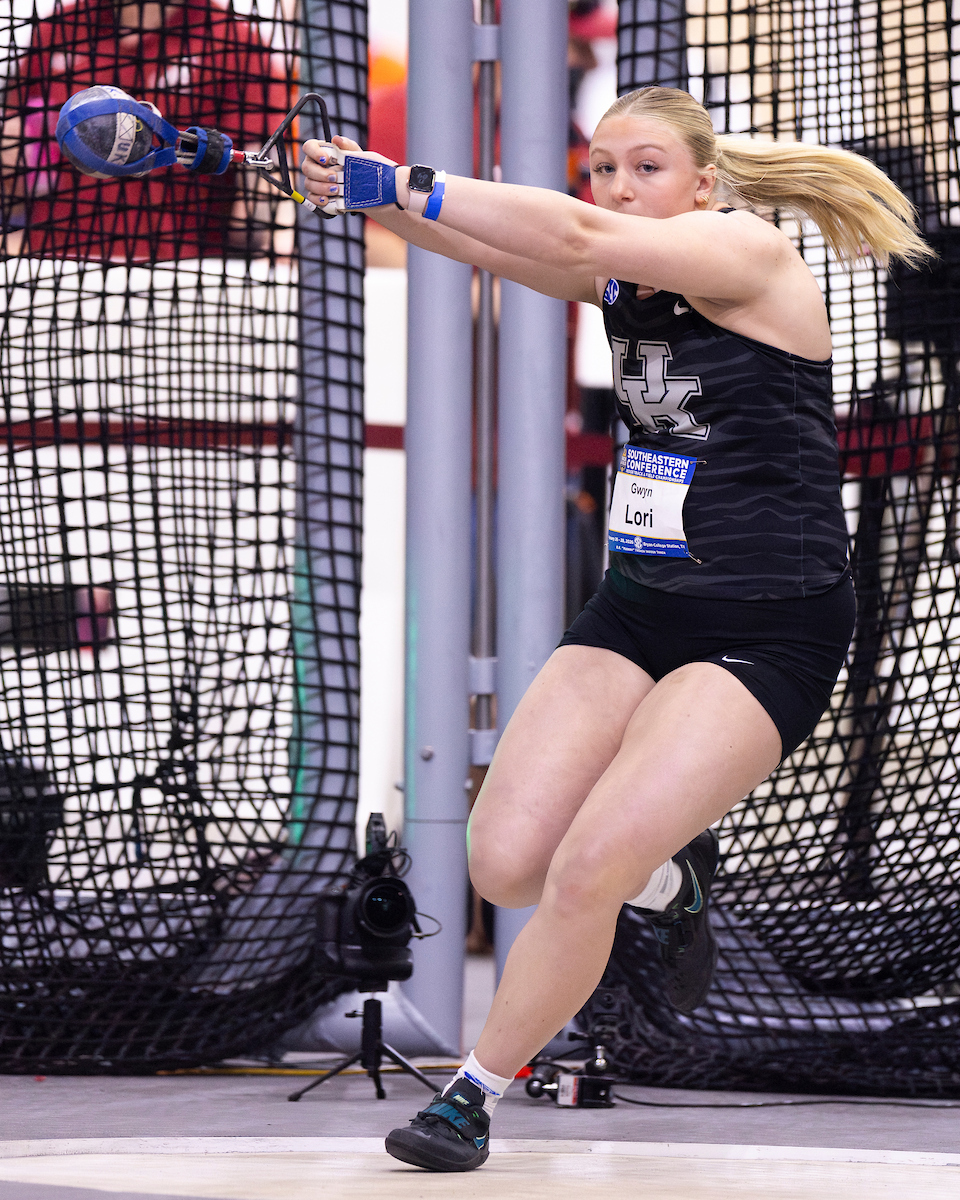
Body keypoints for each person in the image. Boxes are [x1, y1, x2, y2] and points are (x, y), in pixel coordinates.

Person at [301, 85, 932, 1173]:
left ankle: (471, 1099)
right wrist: (353, 193)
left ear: (703, 184)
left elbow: (571, 232)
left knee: (587, 865)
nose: (619, 187)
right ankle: (672, 881)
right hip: (638, 606)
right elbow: (493, 247)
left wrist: (402, 178)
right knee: (505, 864)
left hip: (767, 623)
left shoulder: (744, 251)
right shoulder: (623, 270)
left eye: (646, 167)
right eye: (604, 167)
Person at [1, 0, 289, 262]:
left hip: (176, 268)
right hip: (56, 260)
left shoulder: (232, 39)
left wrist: (267, 235)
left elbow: (265, 167)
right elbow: (16, 167)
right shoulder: (58, 30)